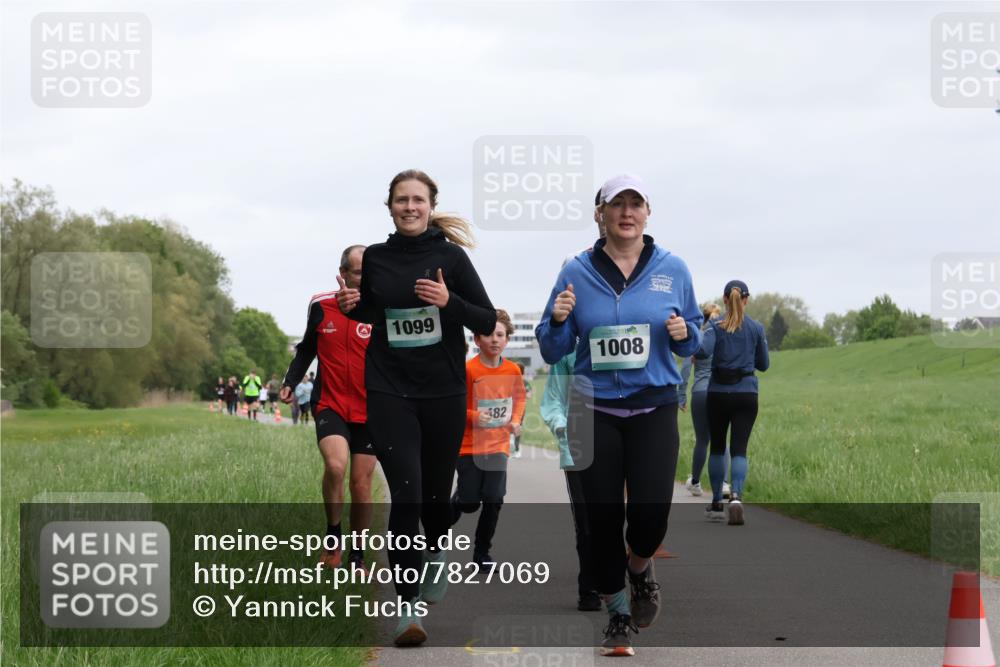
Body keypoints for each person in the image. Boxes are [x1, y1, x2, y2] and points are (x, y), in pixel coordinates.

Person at [536, 174, 702, 657]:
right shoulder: (576, 271)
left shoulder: (674, 268)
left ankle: (639, 568)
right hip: (594, 408)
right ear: (599, 214)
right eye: (616, 205)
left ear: (648, 212)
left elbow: (694, 338)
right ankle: (618, 616)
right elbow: (551, 348)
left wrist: (682, 333)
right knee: (602, 523)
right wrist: (562, 320)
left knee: (650, 517)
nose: (626, 213)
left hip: (654, 405)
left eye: (635, 204)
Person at [336, 169, 496, 646]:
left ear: (430, 206)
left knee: (432, 501)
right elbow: (374, 309)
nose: (410, 207)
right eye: (401, 200)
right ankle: (407, 608)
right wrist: (352, 306)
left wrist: (449, 302)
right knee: (406, 494)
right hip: (389, 390)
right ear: (389, 207)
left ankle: (436, 553)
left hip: (443, 392)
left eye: (418, 200)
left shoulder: (451, 257)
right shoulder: (378, 258)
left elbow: (486, 318)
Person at [282, 244, 379, 572]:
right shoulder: (321, 305)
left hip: (372, 409)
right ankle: (333, 539)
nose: (366, 279)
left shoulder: (382, 308)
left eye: (370, 272)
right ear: (343, 275)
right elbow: (308, 346)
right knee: (336, 467)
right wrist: (291, 381)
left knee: (361, 484)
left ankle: (358, 555)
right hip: (331, 403)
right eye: (359, 272)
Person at [450, 309, 526, 566]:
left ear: (507, 339)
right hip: (469, 446)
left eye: (500, 335)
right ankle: (444, 515)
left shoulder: (513, 370)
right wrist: (473, 416)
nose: (494, 339)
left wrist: (515, 421)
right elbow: (455, 404)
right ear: (476, 339)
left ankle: (482, 553)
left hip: (498, 445)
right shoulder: (468, 369)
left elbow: (519, 399)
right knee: (470, 502)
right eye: (488, 334)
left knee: (494, 498)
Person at [696, 280, 769, 526]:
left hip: (717, 393)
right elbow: (764, 364)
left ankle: (717, 501)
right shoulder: (756, 328)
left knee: (717, 447)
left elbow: (703, 352)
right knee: (739, 448)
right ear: (746, 299)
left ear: (725, 299)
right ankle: (736, 497)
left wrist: (701, 328)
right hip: (746, 394)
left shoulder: (715, 327)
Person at [539, 348, 601, 612]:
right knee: (586, 520)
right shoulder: (566, 353)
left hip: (621, 441)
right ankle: (590, 587)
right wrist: (561, 424)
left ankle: (631, 573)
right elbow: (553, 399)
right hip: (578, 443)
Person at [678, 303, 731, 498]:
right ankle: (724, 483)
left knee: (702, 440)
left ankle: (696, 482)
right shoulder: (723, 337)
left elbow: (685, 369)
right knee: (722, 439)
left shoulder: (697, 338)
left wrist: (681, 395)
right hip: (720, 391)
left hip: (700, 392)